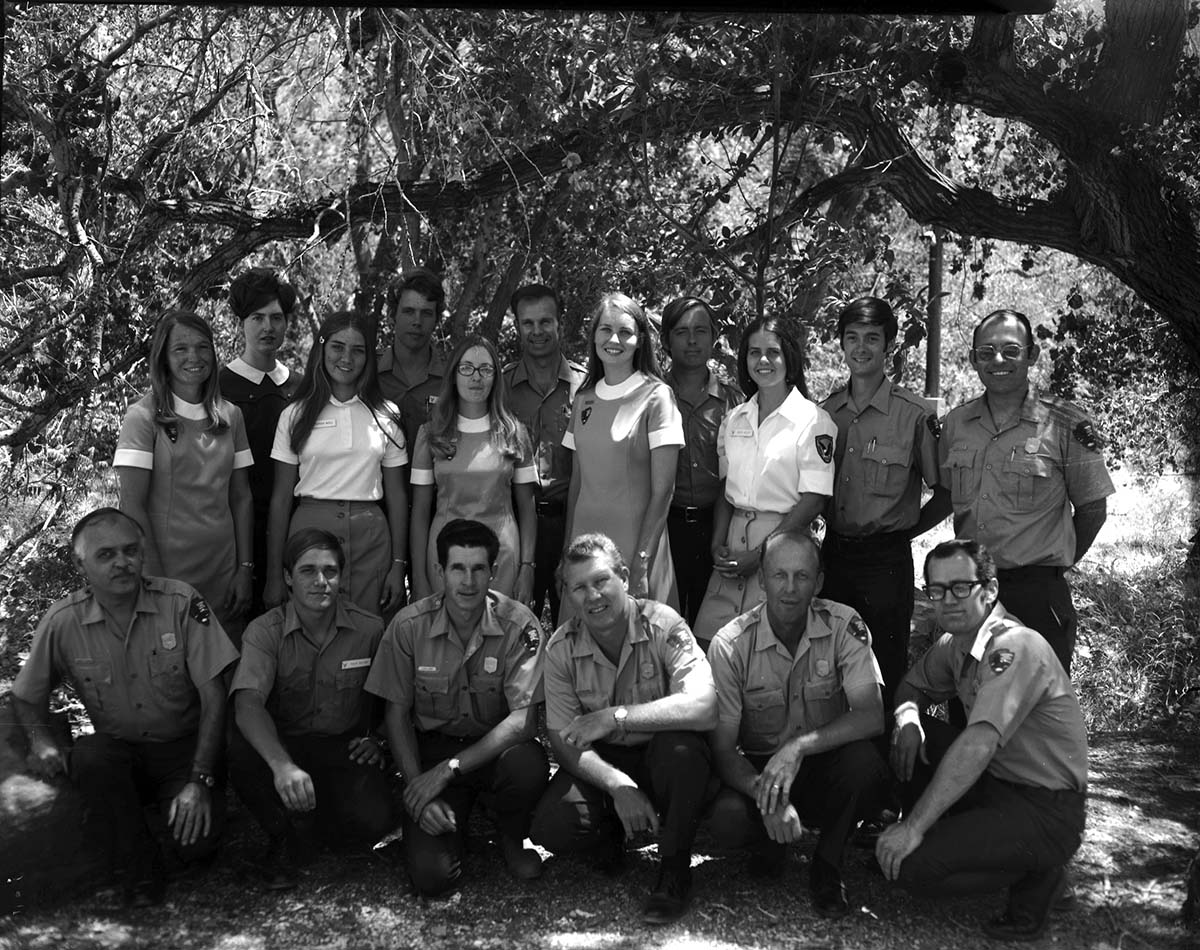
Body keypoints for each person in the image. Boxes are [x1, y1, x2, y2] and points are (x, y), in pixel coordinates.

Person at [10, 508, 239, 906]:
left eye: (130, 551)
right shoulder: (64, 621)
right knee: (90, 756)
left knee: (197, 848)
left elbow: (214, 695)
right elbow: (26, 695)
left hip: (182, 751)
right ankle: (138, 865)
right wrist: (38, 740)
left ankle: (164, 818)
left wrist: (200, 780)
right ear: (81, 565)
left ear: (143, 554)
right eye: (106, 554)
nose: (122, 562)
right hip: (119, 754)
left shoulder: (180, 603)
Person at [876, 539, 1088, 941]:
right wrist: (907, 720)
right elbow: (910, 688)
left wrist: (914, 828)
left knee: (911, 868)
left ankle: (1041, 871)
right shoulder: (958, 643)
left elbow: (978, 743)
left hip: (1046, 807)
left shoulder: (1013, 646)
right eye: (936, 590)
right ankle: (985, 845)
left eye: (961, 587)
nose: (947, 600)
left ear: (990, 591)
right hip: (996, 787)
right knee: (905, 727)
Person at [531, 533, 717, 926]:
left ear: (625, 578)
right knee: (553, 824)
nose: (592, 596)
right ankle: (612, 833)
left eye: (601, 581)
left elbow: (704, 706)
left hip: (662, 758)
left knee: (683, 750)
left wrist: (615, 716)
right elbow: (564, 742)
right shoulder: (562, 647)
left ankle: (674, 869)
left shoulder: (664, 625)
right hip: (609, 763)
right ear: (568, 594)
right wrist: (617, 785)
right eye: (579, 587)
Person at [706, 529, 890, 918]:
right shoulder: (730, 644)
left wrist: (799, 747)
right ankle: (770, 841)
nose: (790, 588)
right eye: (779, 575)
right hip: (761, 769)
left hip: (822, 765)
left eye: (802, 576)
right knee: (726, 821)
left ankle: (827, 865)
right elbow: (723, 749)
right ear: (762, 579)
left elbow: (871, 716)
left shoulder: (844, 625)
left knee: (865, 765)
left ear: (819, 581)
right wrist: (767, 796)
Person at [365, 519, 548, 897]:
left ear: (493, 572)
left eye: (479, 569)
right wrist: (420, 787)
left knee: (527, 763)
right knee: (434, 880)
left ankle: (511, 837)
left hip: (492, 749)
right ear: (439, 572)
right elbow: (396, 715)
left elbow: (524, 720)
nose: (468, 581)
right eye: (458, 568)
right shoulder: (408, 626)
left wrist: (449, 771)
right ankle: (447, 825)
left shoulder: (519, 626)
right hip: (433, 748)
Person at [940, 309, 1114, 673]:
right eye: (985, 352)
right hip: (971, 593)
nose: (997, 360)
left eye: (1010, 350)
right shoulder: (956, 424)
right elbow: (945, 494)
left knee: (1041, 714)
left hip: (1037, 595)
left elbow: (1093, 508)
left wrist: (1055, 565)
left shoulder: (1068, 422)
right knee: (970, 707)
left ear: (1032, 355)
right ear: (973, 360)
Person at [227, 529, 394, 889]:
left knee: (375, 819)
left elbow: (395, 699)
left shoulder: (370, 630)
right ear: (288, 577)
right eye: (307, 571)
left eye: (330, 571)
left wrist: (379, 740)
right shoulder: (264, 632)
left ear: (341, 576)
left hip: (344, 745)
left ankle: (315, 827)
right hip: (286, 745)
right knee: (238, 748)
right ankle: (285, 831)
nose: (321, 581)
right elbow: (247, 703)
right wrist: (282, 765)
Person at [818, 296, 948, 712]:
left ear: (889, 344)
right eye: (852, 338)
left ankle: (891, 761)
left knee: (885, 666)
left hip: (886, 561)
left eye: (872, 338)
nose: (861, 348)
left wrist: (905, 529)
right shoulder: (826, 414)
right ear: (841, 344)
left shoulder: (913, 415)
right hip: (834, 554)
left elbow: (944, 491)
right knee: (830, 664)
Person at [693, 315, 838, 649]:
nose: (763, 361)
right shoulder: (735, 418)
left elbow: (813, 501)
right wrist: (718, 545)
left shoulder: (813, 422)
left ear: (789, 357)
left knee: (766, 650)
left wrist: (761, 556)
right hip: (733, 547)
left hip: (784, 545)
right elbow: (726, 494)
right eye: (753, 352)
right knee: (711, 646)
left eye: (773, 352)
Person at [115, 310, 254, 643]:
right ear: (163, 357)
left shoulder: (230, 415)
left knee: (222, 679)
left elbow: (241, 498)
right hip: (167, 576)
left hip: (224, 575)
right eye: (181, 349)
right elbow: (131, 505)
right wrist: (156, 582)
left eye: (202, 347)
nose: (194, 357)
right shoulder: (142, 417)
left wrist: (245, 570)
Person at [265, 311, 408, 618]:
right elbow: (280, 499)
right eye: (337, 347)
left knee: (369, 630)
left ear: (369, 357)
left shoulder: (387, 414)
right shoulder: (295, 414)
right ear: (322, 349)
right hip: (309, 534)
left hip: (371, 539)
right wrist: (274, 574)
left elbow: (397, 496)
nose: (347, 358)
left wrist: (398, 565)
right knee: (311, 630)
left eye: (358, 350)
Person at [560, 292, 684, 620]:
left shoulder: (658, 397)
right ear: (594, 336)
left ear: (640, 340)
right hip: (584, 548)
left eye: (625, 331)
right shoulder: (583, 398)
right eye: (605, 329)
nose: (614, 339)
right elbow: (578, 483)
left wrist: (642, 560)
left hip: (636, 548)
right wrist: (567, 550)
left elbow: (663, 491)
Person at [410, 335, 537, 603]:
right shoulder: (430, 434)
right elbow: (420, 513)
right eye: (466, 368)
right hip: (444, 558)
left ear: (495, 377)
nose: (475, 377)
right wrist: (420, 578)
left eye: (485, 369)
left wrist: (527, 567)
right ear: (454, 375)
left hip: (502, 558)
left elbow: (527, 509)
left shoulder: (515, 433)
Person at [503, 283, 586, 627]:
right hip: (517, 522)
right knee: (515, 628)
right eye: (527, 323)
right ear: (517, 326)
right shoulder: (501, 387)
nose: (537, 331)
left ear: (559, 324)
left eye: (545, 322)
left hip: (571, 521)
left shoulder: (586, 386)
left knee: (576, 625)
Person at [220, 268, 301, 612]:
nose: (268, 327)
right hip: (234, 532)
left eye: (276, 318)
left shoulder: (301, 386)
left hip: (293, 530)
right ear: (242, 322)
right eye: (257, 317)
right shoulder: (220, 386)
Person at [661, 296, 744, 626]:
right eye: (681, 332)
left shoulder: (734, 400)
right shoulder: (653, 395)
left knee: (713, 628)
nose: (692, 341)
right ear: (666, 340)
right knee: (664, 627)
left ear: (714, 337)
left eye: (700, 331)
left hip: (718, 528)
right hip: (664, 526)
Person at [377, 267, 448, 452]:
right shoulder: (368, 371)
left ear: (436, 320)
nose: (417, 321)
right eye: (409, 311)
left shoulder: (453, 377)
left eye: (426, 313)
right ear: (392, 316)